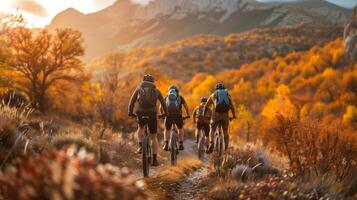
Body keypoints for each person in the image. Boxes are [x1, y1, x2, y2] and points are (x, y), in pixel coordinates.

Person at [128, 74, 168, 166]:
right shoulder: (157, 91)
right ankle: (155, 160)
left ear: (143, 81)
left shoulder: (138, 89)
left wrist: (130, 113)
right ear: (152, 82)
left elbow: (131, 103)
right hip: (152, 114)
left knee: (140, 128)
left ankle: (141, 146)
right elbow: (163, 103)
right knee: (153, 137)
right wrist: (165, 114)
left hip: (140, 113)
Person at [204, 83, 236, 153]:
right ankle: (226, 149)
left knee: (212, 130)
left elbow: (206, 106)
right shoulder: (227, 95)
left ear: (216, 89)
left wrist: (204, 114)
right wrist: (234, 115)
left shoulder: (213, 95)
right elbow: (232, 106)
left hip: (215, 116)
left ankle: (211, 144)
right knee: (225, 132)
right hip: (225, 117)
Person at [161, 85, 190, 151]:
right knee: (180, 128)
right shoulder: (180, 97)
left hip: (168, 115)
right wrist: (188, 114)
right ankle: (181, 144)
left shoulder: (166, 97)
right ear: (177, 92)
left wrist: (163, 114)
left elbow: (161, 107)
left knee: (167, 129)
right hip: (178, 115)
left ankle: (166, 144)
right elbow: (186, 107)